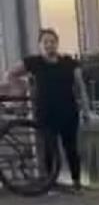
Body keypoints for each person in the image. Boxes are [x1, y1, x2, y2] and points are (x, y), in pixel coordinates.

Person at [4, 28, 91, 193]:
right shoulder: (33, 62)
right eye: (45, 42)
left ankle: (76, 182)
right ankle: (51, 184)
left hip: (68, 111)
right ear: (40, 45)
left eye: (52, 42)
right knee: (49, 148)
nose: (49, 45)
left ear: (57, 44)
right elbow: (10, 74)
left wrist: (86, 110)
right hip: (45, 112)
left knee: (71, 148)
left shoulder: (69, 63)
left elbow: (80, 87)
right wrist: (22, 87)